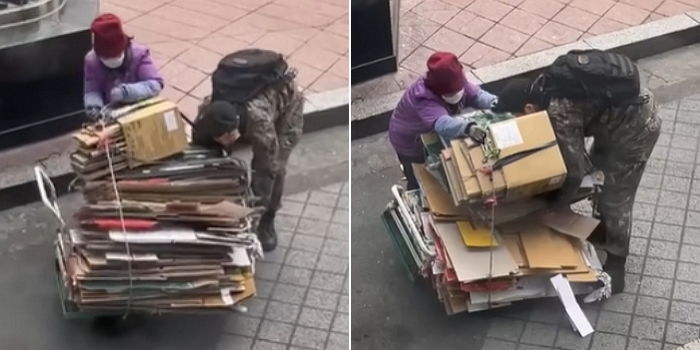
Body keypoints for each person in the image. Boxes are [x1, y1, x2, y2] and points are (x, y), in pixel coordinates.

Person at [492, 73, 661, 294]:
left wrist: (555, 204)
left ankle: (617, 266)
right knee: (599, 172)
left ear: (529, 108)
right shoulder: (544, 86)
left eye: (517, 116)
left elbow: (574, 172)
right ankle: (602, 233)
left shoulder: (560, 114)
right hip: (616, 116)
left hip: (636, 126)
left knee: (616, 196)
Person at [191, 49, 304, 252]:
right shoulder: (207, 114)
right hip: (251, 107)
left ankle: (268, 219)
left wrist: (253, 209)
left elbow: (266, 169)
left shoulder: (259, 123)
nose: (226, 142)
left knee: (276, 167)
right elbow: (200, 148)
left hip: (288, 104)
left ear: (234, 130)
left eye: (228, 138)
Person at [388, 51, 497, 190]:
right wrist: (468, 128)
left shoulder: (457, 80)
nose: (457, 94)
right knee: (420, 172)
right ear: (439, 91)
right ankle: (413, 186)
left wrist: (495, 102)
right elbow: (442, 123)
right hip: (408, 140)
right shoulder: (422, 97)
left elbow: (476, 95)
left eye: (459, 89)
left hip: (426, 131)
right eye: (450, 93)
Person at [83, 13, 163, 120]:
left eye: (116, 55)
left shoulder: (139, 55)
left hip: (142, 111)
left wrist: (126, 92)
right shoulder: (92, 61)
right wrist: (93, 106)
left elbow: (155, 84)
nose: (111, 60)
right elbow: (92, 89)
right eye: (106, 57)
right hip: (111, 116)